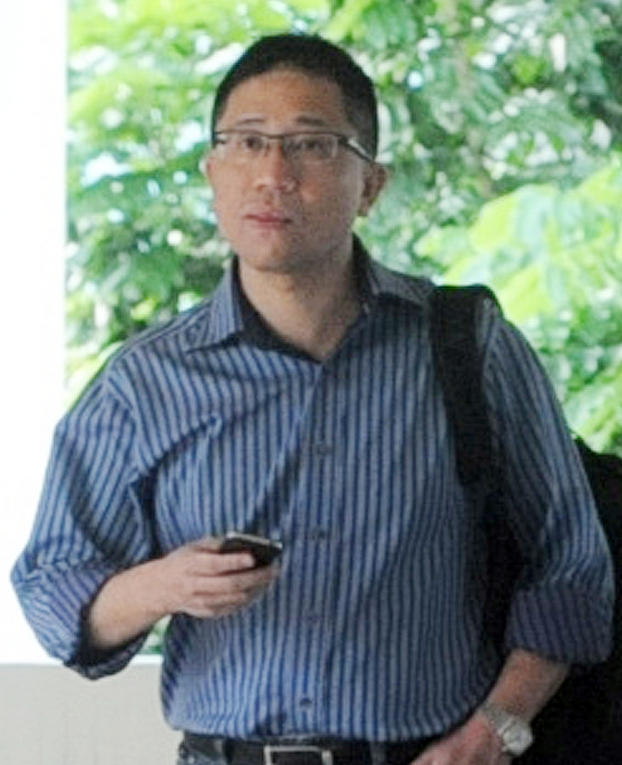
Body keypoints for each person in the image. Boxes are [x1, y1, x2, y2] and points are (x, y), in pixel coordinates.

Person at [12, 33, 614, 765]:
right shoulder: (144, 381)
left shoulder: (465, 347)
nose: (273, 174)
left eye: (312, 145)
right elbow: (54, 596)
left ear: (372, 185)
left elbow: (572, 564)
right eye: (247, 142)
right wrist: (163, 584)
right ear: (212, 172)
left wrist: (495, 729)